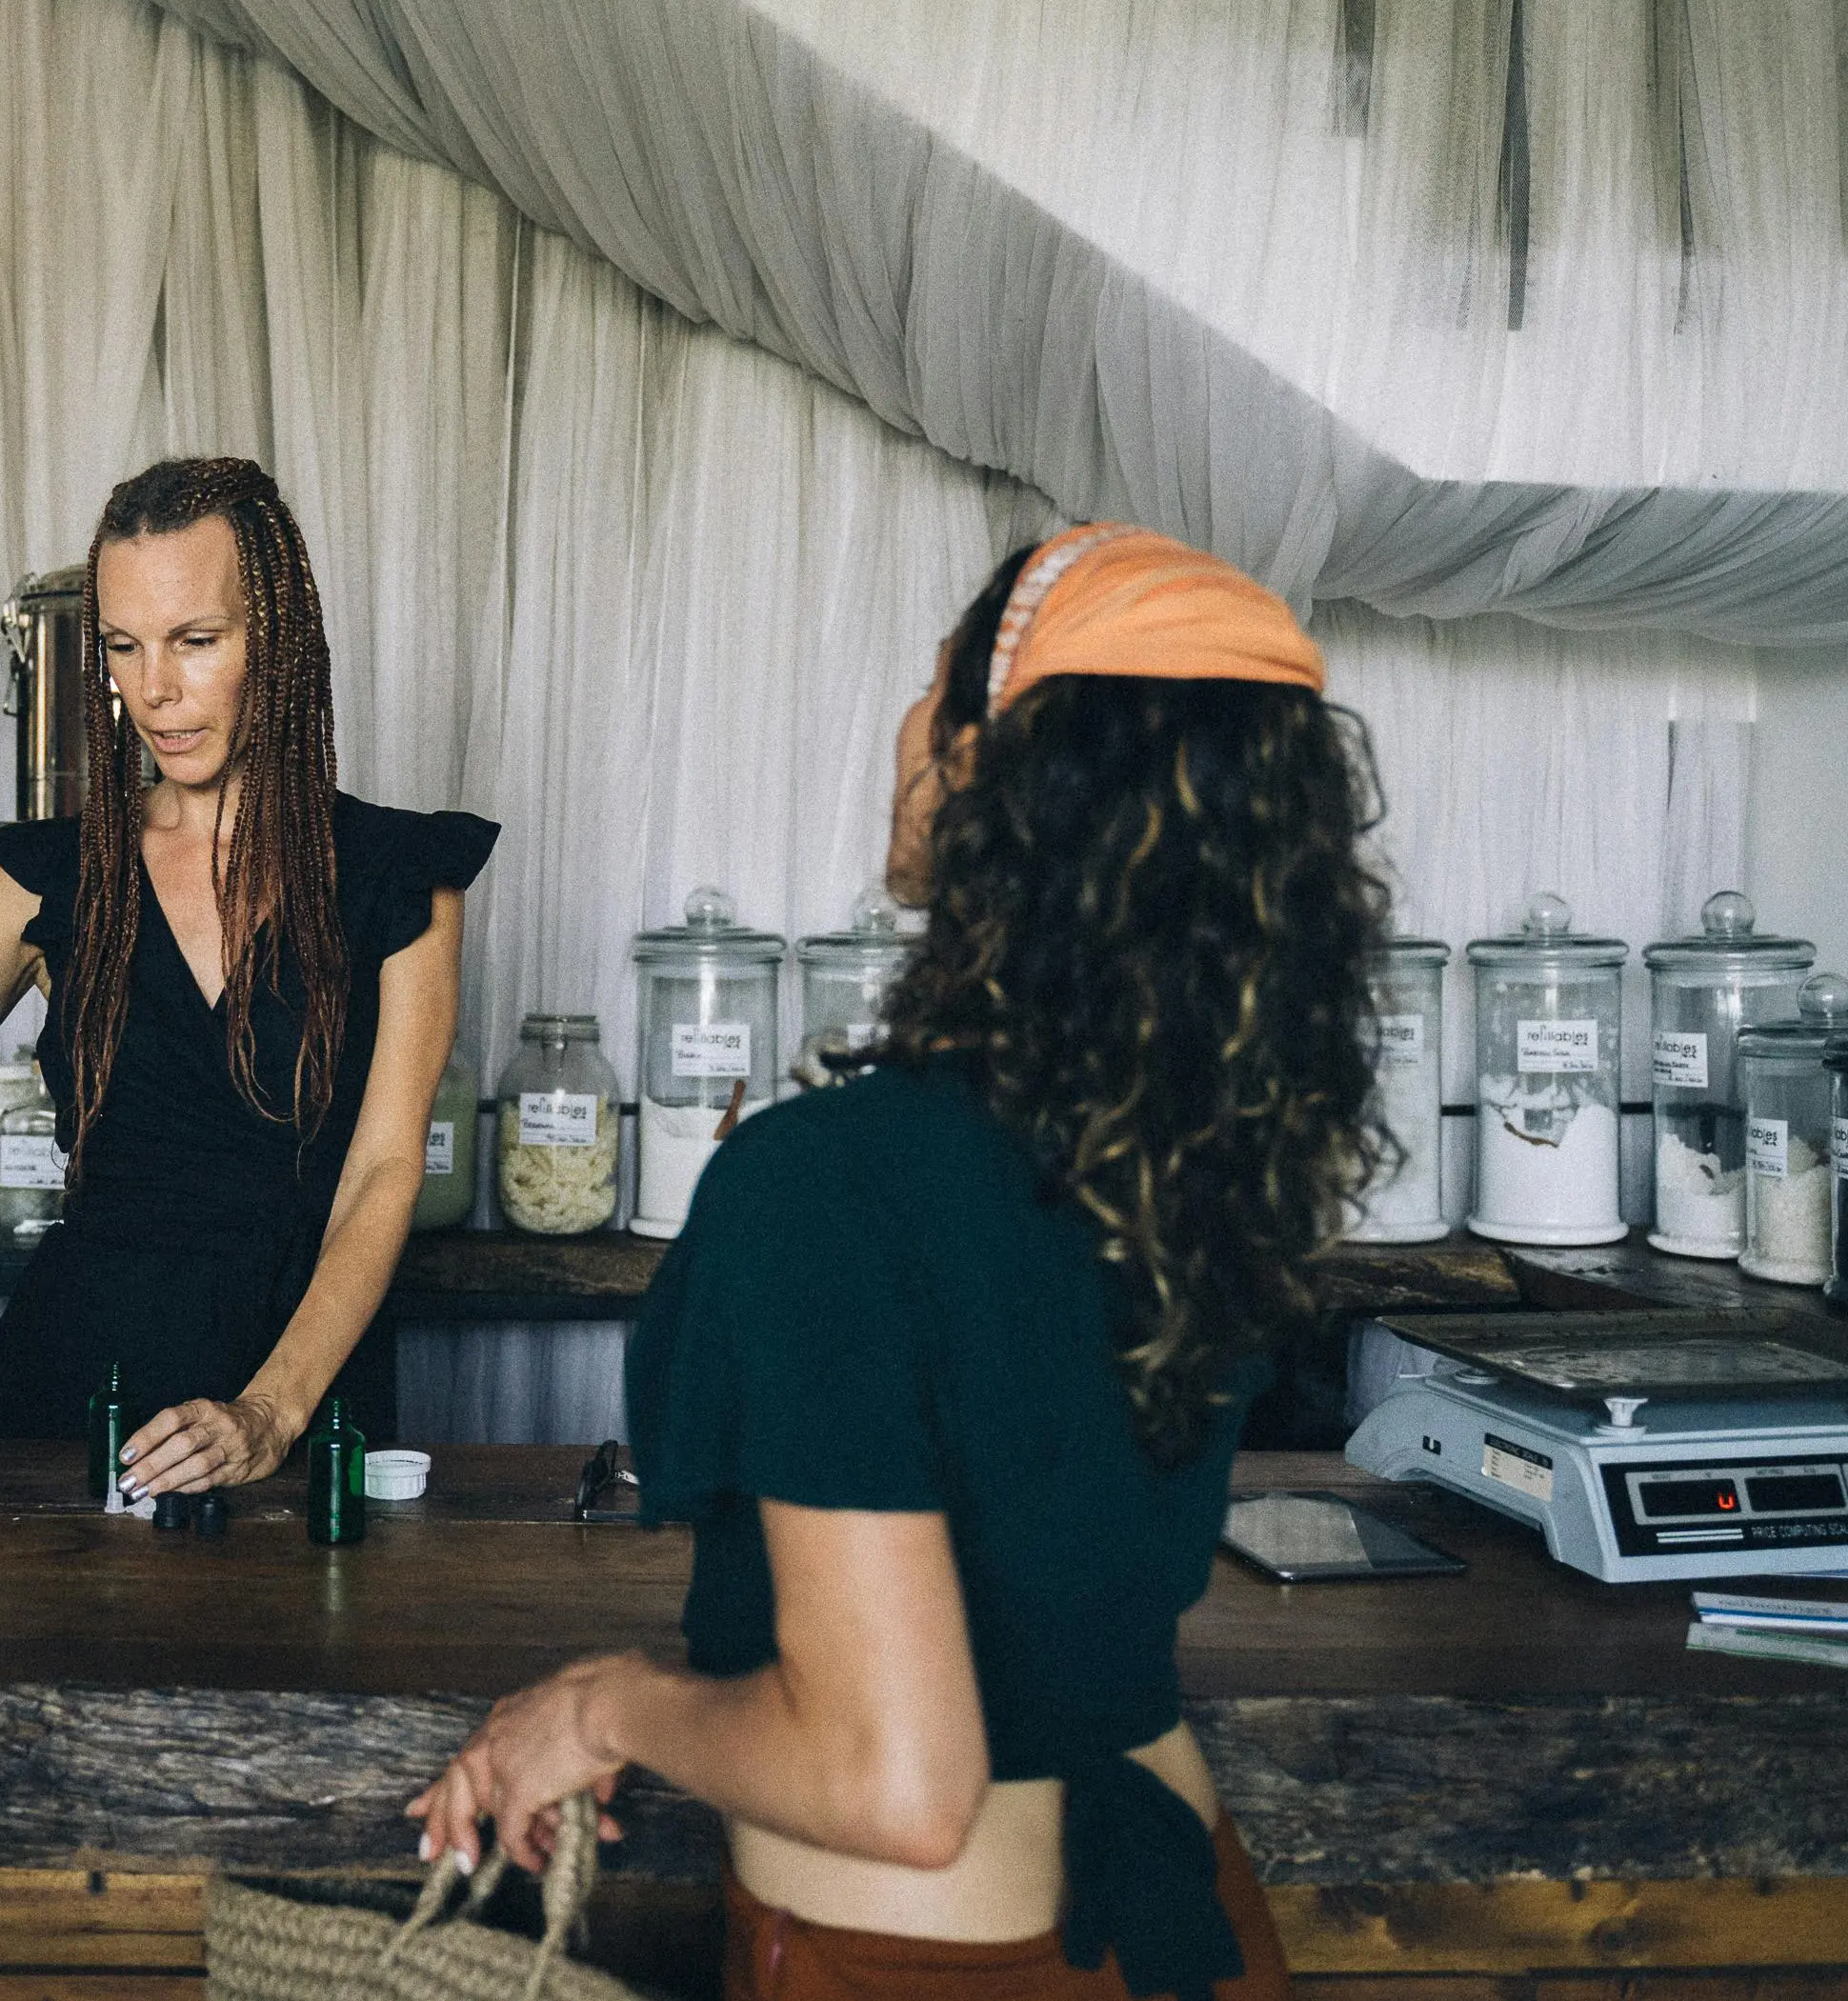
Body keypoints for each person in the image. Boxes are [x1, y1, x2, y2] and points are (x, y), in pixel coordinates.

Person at [414, 525, 1388, 2001]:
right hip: (1189, 1922)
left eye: (937, 689)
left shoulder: (827, 1179)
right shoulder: (1201, 1162)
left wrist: (603, 1707)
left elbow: (897, 1785)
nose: (908, 726)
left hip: (930, 1967)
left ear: (986, 769)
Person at [0, 456, 495, 1491]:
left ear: (280, 640)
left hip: (299, 1392)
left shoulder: (400, 875)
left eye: (195, 641)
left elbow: (382, 1171)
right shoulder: (48, 877)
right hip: (77, 1390)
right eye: (122, 646)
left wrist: (271, 1410)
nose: (153, 688)